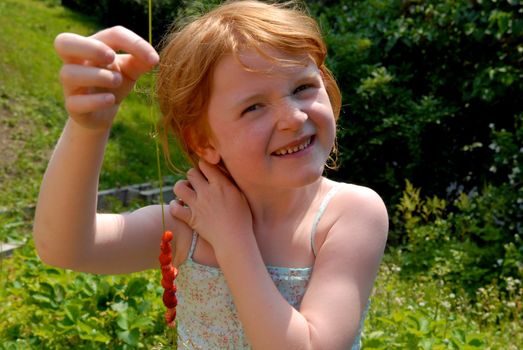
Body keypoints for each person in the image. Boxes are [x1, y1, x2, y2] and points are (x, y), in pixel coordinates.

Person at [33, 1, 388, 349]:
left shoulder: (349, 214)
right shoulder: (193, 221)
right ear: (202, 141)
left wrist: (233, 238)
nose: (293, 118)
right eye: (254, 107)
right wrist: (89, 127)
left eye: (302, 88)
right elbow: (64, 247)